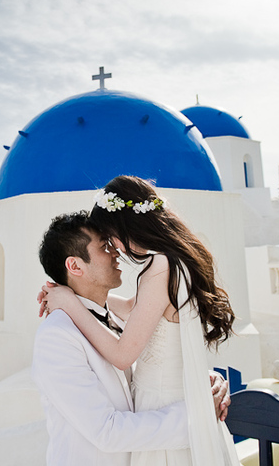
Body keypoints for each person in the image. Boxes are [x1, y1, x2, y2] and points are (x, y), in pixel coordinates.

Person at [41, 176, 240, 466]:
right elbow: (133, 309)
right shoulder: (169, 263)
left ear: (125, 226)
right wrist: (70, 294)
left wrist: (71, 302)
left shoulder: (160, 266)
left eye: (111, 239)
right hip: (165, 412)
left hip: (163, 410)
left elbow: (123, 355)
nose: (116, 251)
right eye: (105, 245)